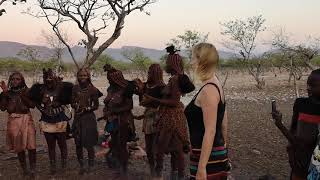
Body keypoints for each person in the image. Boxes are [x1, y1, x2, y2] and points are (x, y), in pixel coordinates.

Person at [142, 46, 194, 179]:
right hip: (174, 117)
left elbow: (174, 102)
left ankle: (158, 176)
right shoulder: (176, 78)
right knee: (176, 149)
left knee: (161, 148)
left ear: (171, 63)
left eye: (168, 62)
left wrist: (153, 99)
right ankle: (177, 176)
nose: (166, 64)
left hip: (171, 117)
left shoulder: (175, 80)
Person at [185, 43, 230, 180]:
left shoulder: (208, 90)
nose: (191, 62)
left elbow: (210, 131)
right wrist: (224, 147)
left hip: (208, 158)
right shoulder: (215, 83)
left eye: (193, 58)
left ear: (202, 61)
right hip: (213, 152)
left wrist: (202, 167)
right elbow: (223, 122)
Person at [272, 69, 320, 180]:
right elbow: (295, 140)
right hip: (299, 165)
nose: (308, 88)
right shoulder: (301, 104)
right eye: (308, 84)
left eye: (313, 85)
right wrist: (280, 124)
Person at [29, 68, 73, 175]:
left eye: (51, 78)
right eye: (46, 78)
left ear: (55, 78)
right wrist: (42, 107)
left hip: (60, 120)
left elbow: (70, 99)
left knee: (62, 144)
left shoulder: (63, 88)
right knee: (51, 146)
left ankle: (64, 165)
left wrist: (60, 104)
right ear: (44, 79)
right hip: (46, 121)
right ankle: (53, 166)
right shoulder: (39, 90)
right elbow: (34, 102)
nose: (48, 80)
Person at [0, 72, 37, 177]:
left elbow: (32, 105)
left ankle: (33, 169)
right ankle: (25, 169)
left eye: (17, 79)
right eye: (13, 79)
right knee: (19, 147)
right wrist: (5, 93)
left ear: (22, 80)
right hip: (13, 121)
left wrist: (22, 95)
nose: (14, 81)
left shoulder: (28, 91)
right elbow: (3, 108)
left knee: (31, 145)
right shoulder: (7, 93)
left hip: (27, 119)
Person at [134, 64, 166, 176]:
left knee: (157, 145)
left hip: (158, 116)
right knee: (149, 145)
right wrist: (140, 89)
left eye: (151, 72)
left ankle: (159, 169)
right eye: (148, 72)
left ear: (157, 74)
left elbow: (163, 104)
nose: (149, 74)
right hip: (148, 116)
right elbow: (141, 102)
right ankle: (153, 167)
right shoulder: (146, 85)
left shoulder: (162, 87)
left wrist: (149, 100)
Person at [103, 65, 135, 177]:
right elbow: (107, 103)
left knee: (121, 145)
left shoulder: (126, 89)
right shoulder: (110, 89)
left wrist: (114, 110)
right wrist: (107, 111)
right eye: (108, 79)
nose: (109, 81)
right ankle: (119, 167)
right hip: (112, 120)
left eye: (110, 79)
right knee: (115, 144)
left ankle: (124, 170)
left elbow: (129, 106)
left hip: (123, 121)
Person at [71, 68, 103, 174]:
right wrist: (76, 105)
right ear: (77, 76)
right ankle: (81, 165)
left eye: (84, 75)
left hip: (89, 118)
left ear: (88, 76)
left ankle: (91, 165)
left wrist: (87, 109)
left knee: (89, 143)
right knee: (78, 143)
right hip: (78, 119)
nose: (82, 77)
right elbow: (72, 102)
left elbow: (96, 105)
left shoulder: (93, 89)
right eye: (80, 75)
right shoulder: (75, 88)